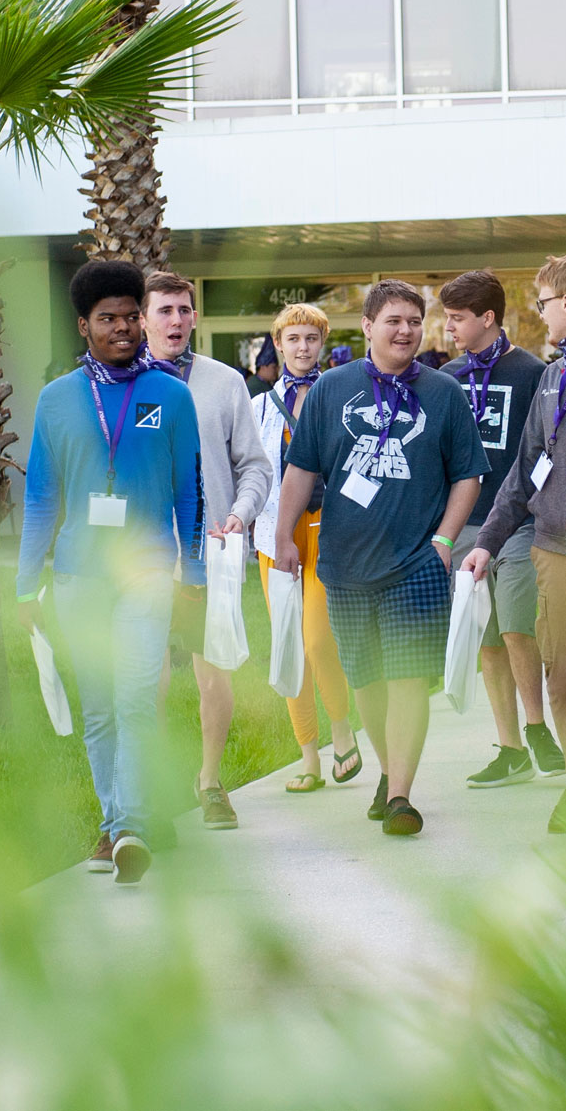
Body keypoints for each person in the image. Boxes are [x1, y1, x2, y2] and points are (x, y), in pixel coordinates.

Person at [276, 280, 488, 837]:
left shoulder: (443, 392)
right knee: (365, 680)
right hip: (344, 563)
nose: (405, 331)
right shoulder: (330, 390)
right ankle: (388, 769)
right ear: (367, 327)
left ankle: (400, 795)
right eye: (393, 320)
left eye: (414, 321)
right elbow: (301, 469)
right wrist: (282, 539)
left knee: (407, 679)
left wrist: (444, 541)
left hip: (416, 561)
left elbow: (468, 473)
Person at [16, 261, 203, 885]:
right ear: (84, 325)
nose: (122, 329)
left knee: (133, 700)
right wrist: (24, 585)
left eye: (130, 317)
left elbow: (189, 493)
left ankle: (128, 829)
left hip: (146, 574)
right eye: (108, 319)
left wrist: (195, 573)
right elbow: (41, 497)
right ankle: (119, 818)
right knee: (98, 708)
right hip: (76, 579)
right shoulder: (57, 400)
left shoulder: (173, 396)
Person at [463, 250, 566, 833]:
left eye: (545, 303)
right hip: (555, 546)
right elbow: (528, 467)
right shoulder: (553, 376)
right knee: (564, 679)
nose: (541, 314)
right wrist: (489, 540)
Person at [144, 272, 273, 833]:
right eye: (164, 311)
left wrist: (241, 515)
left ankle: (210, 782)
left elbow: (256, 466)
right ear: (143, 319)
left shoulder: (224, 383)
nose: (176, 320)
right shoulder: (120, 384)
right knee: (146, 680)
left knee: (213, 678)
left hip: (209, 560)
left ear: (195, 317)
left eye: (184, 310)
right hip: (142, 563)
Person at [438, 270, 561, 789]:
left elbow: (547, 448)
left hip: (519, 521)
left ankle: (538, 728)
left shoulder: (532, 372)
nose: (447, 328)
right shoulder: (447, 378)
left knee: (516, 623)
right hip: (466, 521)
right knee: (486, 634)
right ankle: (510, 749)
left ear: (488, 318)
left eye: (457, 318)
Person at [251, 303, 361, 793]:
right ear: (278, 344)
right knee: (289, 645)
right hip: (276, 535)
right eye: (292, 339)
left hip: (325, 531)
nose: (301, 348)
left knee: (319, 640)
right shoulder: (257, 407)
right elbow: (250, 470)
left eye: (311, 340)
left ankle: (343, 732)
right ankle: (308, 756)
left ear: (323, 343)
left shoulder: (341, 396)